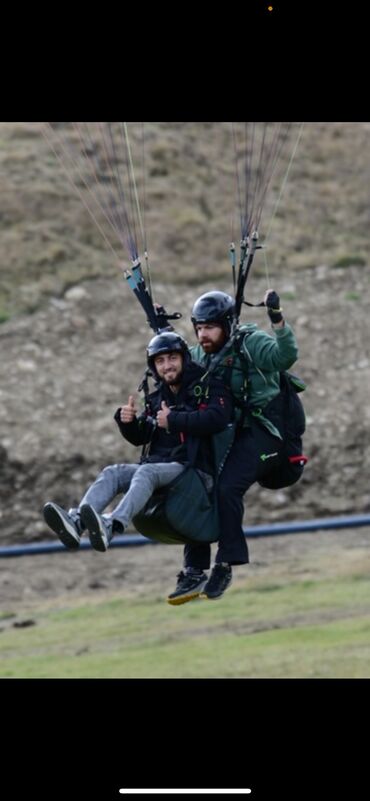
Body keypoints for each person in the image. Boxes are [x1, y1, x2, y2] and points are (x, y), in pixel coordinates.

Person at [43, 332, 232, 604]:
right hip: (162, 467)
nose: (167, 366)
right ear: (153, 367)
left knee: (146, 472)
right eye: (160, 361)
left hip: (192, 470)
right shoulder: (157, 398)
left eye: (172, 358)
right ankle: (78, 522)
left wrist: (175, 420)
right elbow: (144, 436)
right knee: (114, 472)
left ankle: (113, 525)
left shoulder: (206, 386)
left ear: (184, 359)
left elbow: (216, 418)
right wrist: (129, 422)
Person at [175, 287, 300, 601]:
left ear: (227, 325)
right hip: (231, 433)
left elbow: (285, 357)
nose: (203, 335)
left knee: (228, 487)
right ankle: (193, 569)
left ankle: (226, 563)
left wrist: (276, 317)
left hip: (267, 431)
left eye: (210, 328)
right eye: (199, 328)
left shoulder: (250, 342)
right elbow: (180, 366)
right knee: (200, 481)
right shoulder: (203, 353)